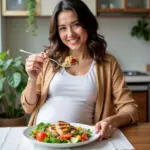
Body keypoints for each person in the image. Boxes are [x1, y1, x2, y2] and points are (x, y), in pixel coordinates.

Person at [21, 0, 138, 140]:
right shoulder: (49, 60)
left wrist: (111, 121)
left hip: (81, 141)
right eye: (62, 28)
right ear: (57, 32)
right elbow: (28, 108)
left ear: (87, 24)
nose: (70, 34)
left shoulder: (107, 63)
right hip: (41, 137)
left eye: (76, 25)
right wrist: (32, 79)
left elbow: (130, 109)